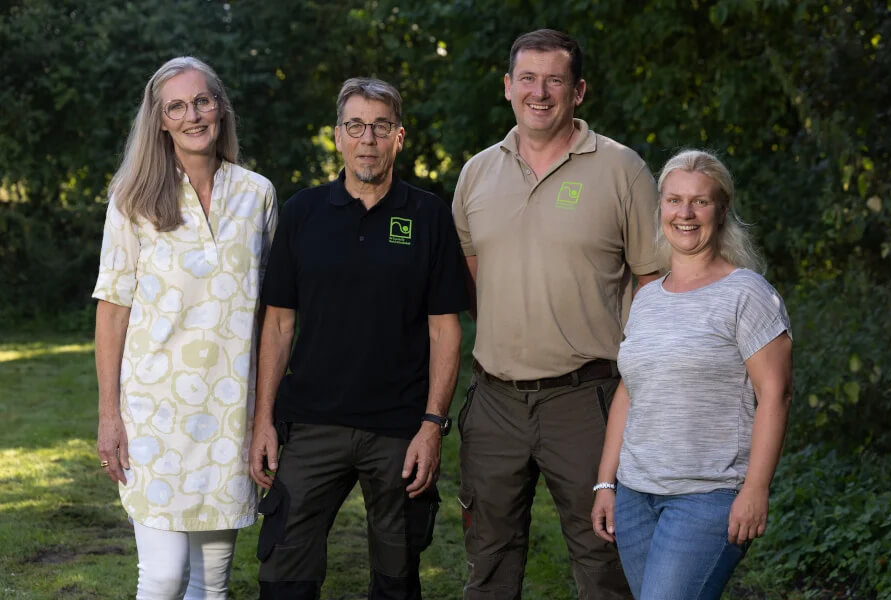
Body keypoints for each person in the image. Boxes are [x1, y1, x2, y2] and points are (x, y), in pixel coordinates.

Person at [452, 28, 660, 599]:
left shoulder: (622, 170)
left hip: (586, 400)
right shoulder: (475, 174)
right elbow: (471, 276)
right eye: (527, 78)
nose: (539, 92)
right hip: (494, 401)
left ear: (579, 91)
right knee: (488, 562)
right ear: (507, 87)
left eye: (554, 80)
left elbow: (654, 283)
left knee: (604, 560)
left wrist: (635, 381)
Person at [250, 77, 468, 599]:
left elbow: (445, 329)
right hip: (309, 424)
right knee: (284, 576)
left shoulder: (429, 216)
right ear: (337, 136)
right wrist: (263, 420)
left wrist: (432, 426)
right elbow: (278, 323)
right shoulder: (303, 213)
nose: (367, 138)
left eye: (380, 126)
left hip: (398, 428)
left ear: (399, 136)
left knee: (396, 580)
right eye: (355, 126)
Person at [93, 56, 277, 598]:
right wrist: (109, 414)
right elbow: (112, 307)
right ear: (161, 121)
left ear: (220, 106)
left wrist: (265, 413)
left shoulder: (257, 195)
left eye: (202, 100)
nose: (193, 114)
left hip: (229, 412)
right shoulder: (133, 199)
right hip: (153, 412)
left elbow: (272, 314)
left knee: (213, 583)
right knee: (165, 574)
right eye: (177, 106)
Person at [590, 149, 793, 599]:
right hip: (636, 498)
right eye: (674, 200)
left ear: (721, 211)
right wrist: (608, 483)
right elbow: (630, 391)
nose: (685, 213)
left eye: (700, 201)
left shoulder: (747, 294)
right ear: (660, 207)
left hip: (707, 499)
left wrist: (756, 490)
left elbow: (775, 395)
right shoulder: (647, 298)